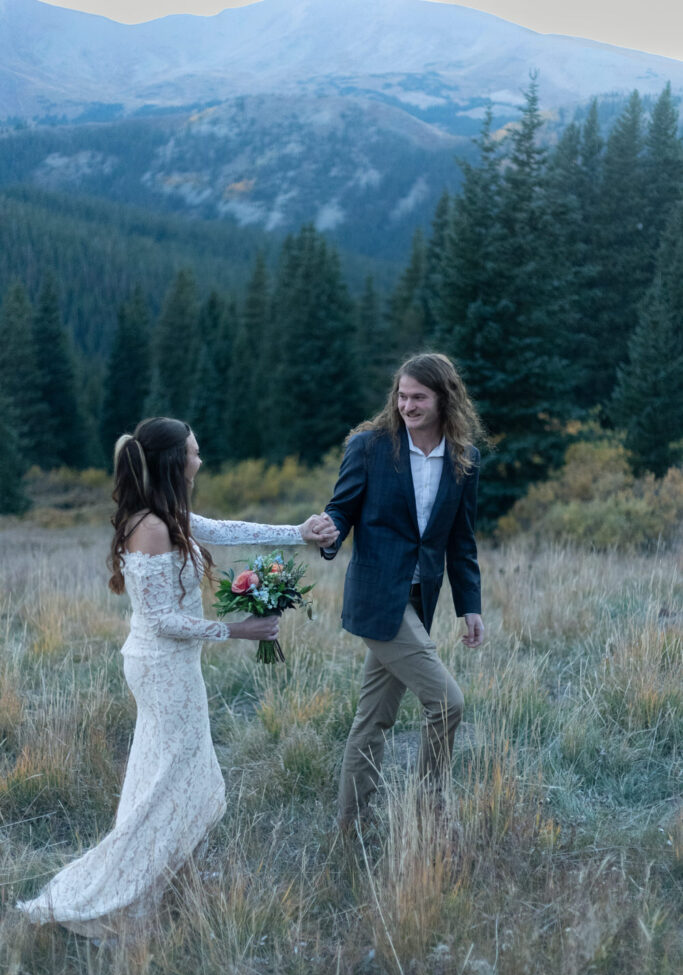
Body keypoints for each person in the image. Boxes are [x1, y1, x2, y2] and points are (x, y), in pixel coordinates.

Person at [17, 417, 338, 940]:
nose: (200, 460)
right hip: (161, 666)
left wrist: (297, 534)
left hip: (172, 665)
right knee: (186, 779)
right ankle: (117, 893)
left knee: (164, 779)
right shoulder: (150, 526)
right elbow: (161, 619)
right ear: (172, 462)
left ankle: (162, 892)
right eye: (193, 452)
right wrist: (239, 630)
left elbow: (229, 530)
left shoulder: (170, 516)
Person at [322, 353, 484, 828]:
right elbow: (341, 510)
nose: (407, 405)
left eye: (419, 397)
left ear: (444, 399)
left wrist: (469, 606)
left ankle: (351, 825)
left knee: (373, 719)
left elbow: (461, 538)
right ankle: (431, 813)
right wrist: (328, 531)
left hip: (421, 597)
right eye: (402, 395)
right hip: (378, 596)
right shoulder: (370, 446)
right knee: (447, 703)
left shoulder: (464, 457)